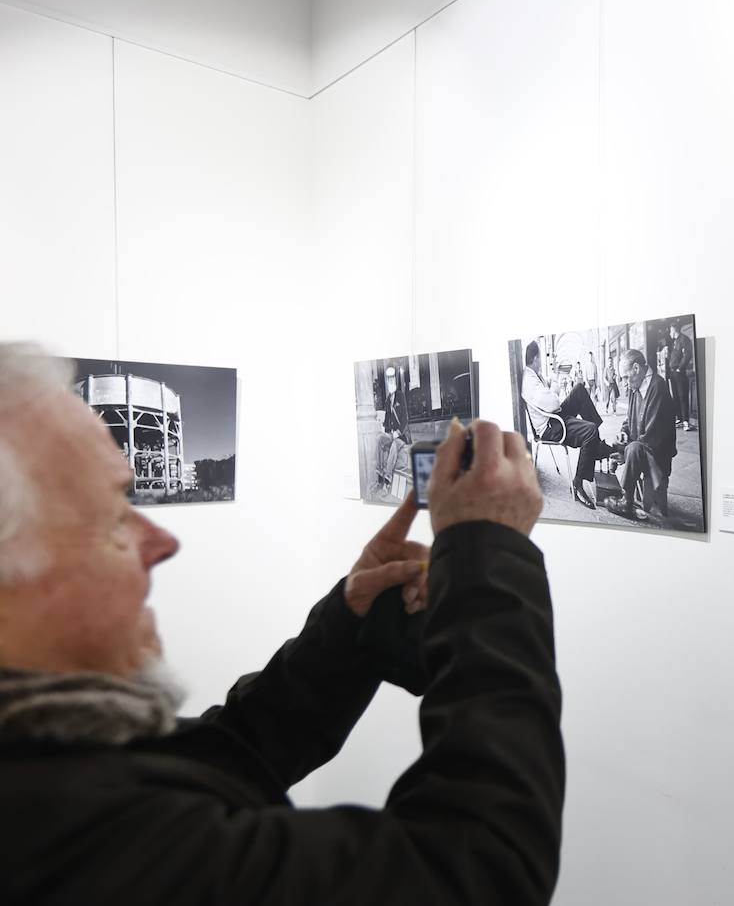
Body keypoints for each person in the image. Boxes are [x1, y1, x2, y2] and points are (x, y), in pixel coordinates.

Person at [0, 343, 562, 905]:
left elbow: (221, 757)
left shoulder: (45, 760)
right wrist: (487, 558)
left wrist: (350, 626)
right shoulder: (74, 838)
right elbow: (477, 871)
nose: (161, 542)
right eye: (113, 519)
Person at [520, 340, 612, 510]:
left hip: (553, 417)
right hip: (551, 427)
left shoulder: (534, 374)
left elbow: (550, 393)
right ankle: (578, 484)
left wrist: (552, 382)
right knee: (590, 430)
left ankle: (595, 445)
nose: (541, 361)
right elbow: (553, 402)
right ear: (535, 358)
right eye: (540, 358)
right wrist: (555, 385)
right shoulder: (529, 381)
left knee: (579, 389)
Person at [605, 349, 676, 523]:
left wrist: (626, 452)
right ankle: (617, 485)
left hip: (657, 453)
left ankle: (626, 501)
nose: (624, 383)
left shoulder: (657, 387)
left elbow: (653, 436)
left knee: (633, 448)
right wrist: (623, 432)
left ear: (636, 368)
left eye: (625, 377)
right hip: (644, 445)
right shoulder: (636, 387)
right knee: (614, 444)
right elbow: (629, 419)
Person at [375, 364, 410, 490]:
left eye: (392, 379)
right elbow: (387, 420)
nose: (390, 381)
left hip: (401, 436)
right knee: (379, 439)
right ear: (387, 381)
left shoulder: (401, 396)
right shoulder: (387, 400)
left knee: (395, 445)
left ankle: (387, 479)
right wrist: (383, 428)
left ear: (395, 380)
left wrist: (398, 432)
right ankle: (379, 473)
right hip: (391, 433)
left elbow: (405, 418)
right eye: (388, 379)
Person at [666, 323, 694, 432]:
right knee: (676, 396)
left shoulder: (684, 339)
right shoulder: (675, 342)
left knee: (683, 396)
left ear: (674, 330)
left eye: (670, 331)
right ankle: (680, 419)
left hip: (679, 372)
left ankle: (686, 421)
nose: (669, 333)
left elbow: (687, 355)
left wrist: (680, 368)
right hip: (673, 373)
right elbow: (674, 358)